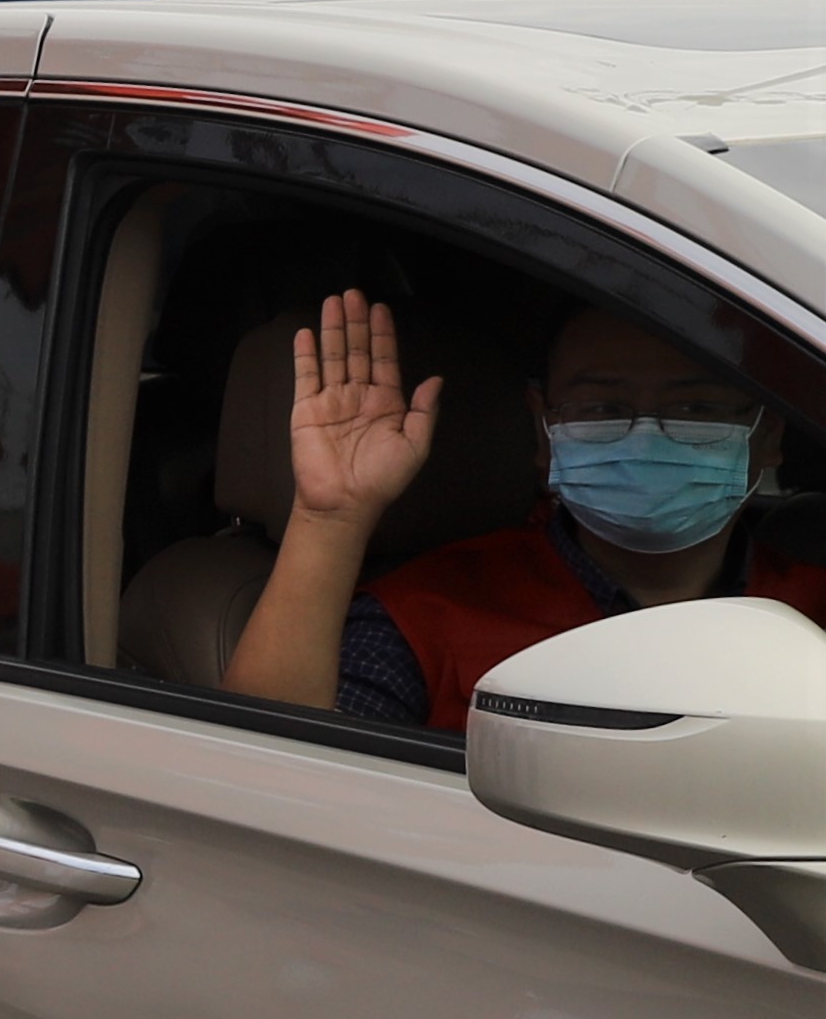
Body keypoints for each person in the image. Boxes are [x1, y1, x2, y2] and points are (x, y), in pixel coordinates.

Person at [224, 289, 826, 731]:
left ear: (769, 433)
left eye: (696, 410)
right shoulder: (424, 618)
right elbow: (269, 775)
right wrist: (331, 516)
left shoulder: (814, 613)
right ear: (543, 430)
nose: (646, 438)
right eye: (602, 408)